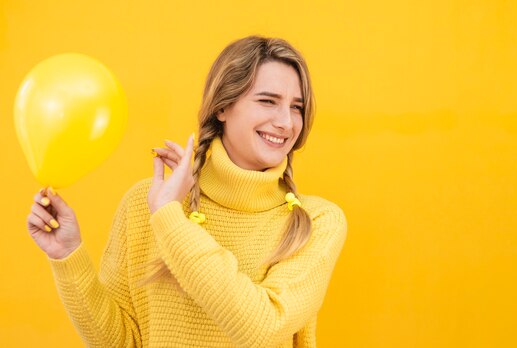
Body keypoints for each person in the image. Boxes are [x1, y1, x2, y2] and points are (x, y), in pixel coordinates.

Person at [25, 36, 347, 348]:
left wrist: (170, 219)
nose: (286, 122)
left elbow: (261, 329)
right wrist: (67, 255)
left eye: (297, 107)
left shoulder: (316, 221)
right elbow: (122, 342)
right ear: (222, 107)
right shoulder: (145, 203)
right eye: (267, 101)